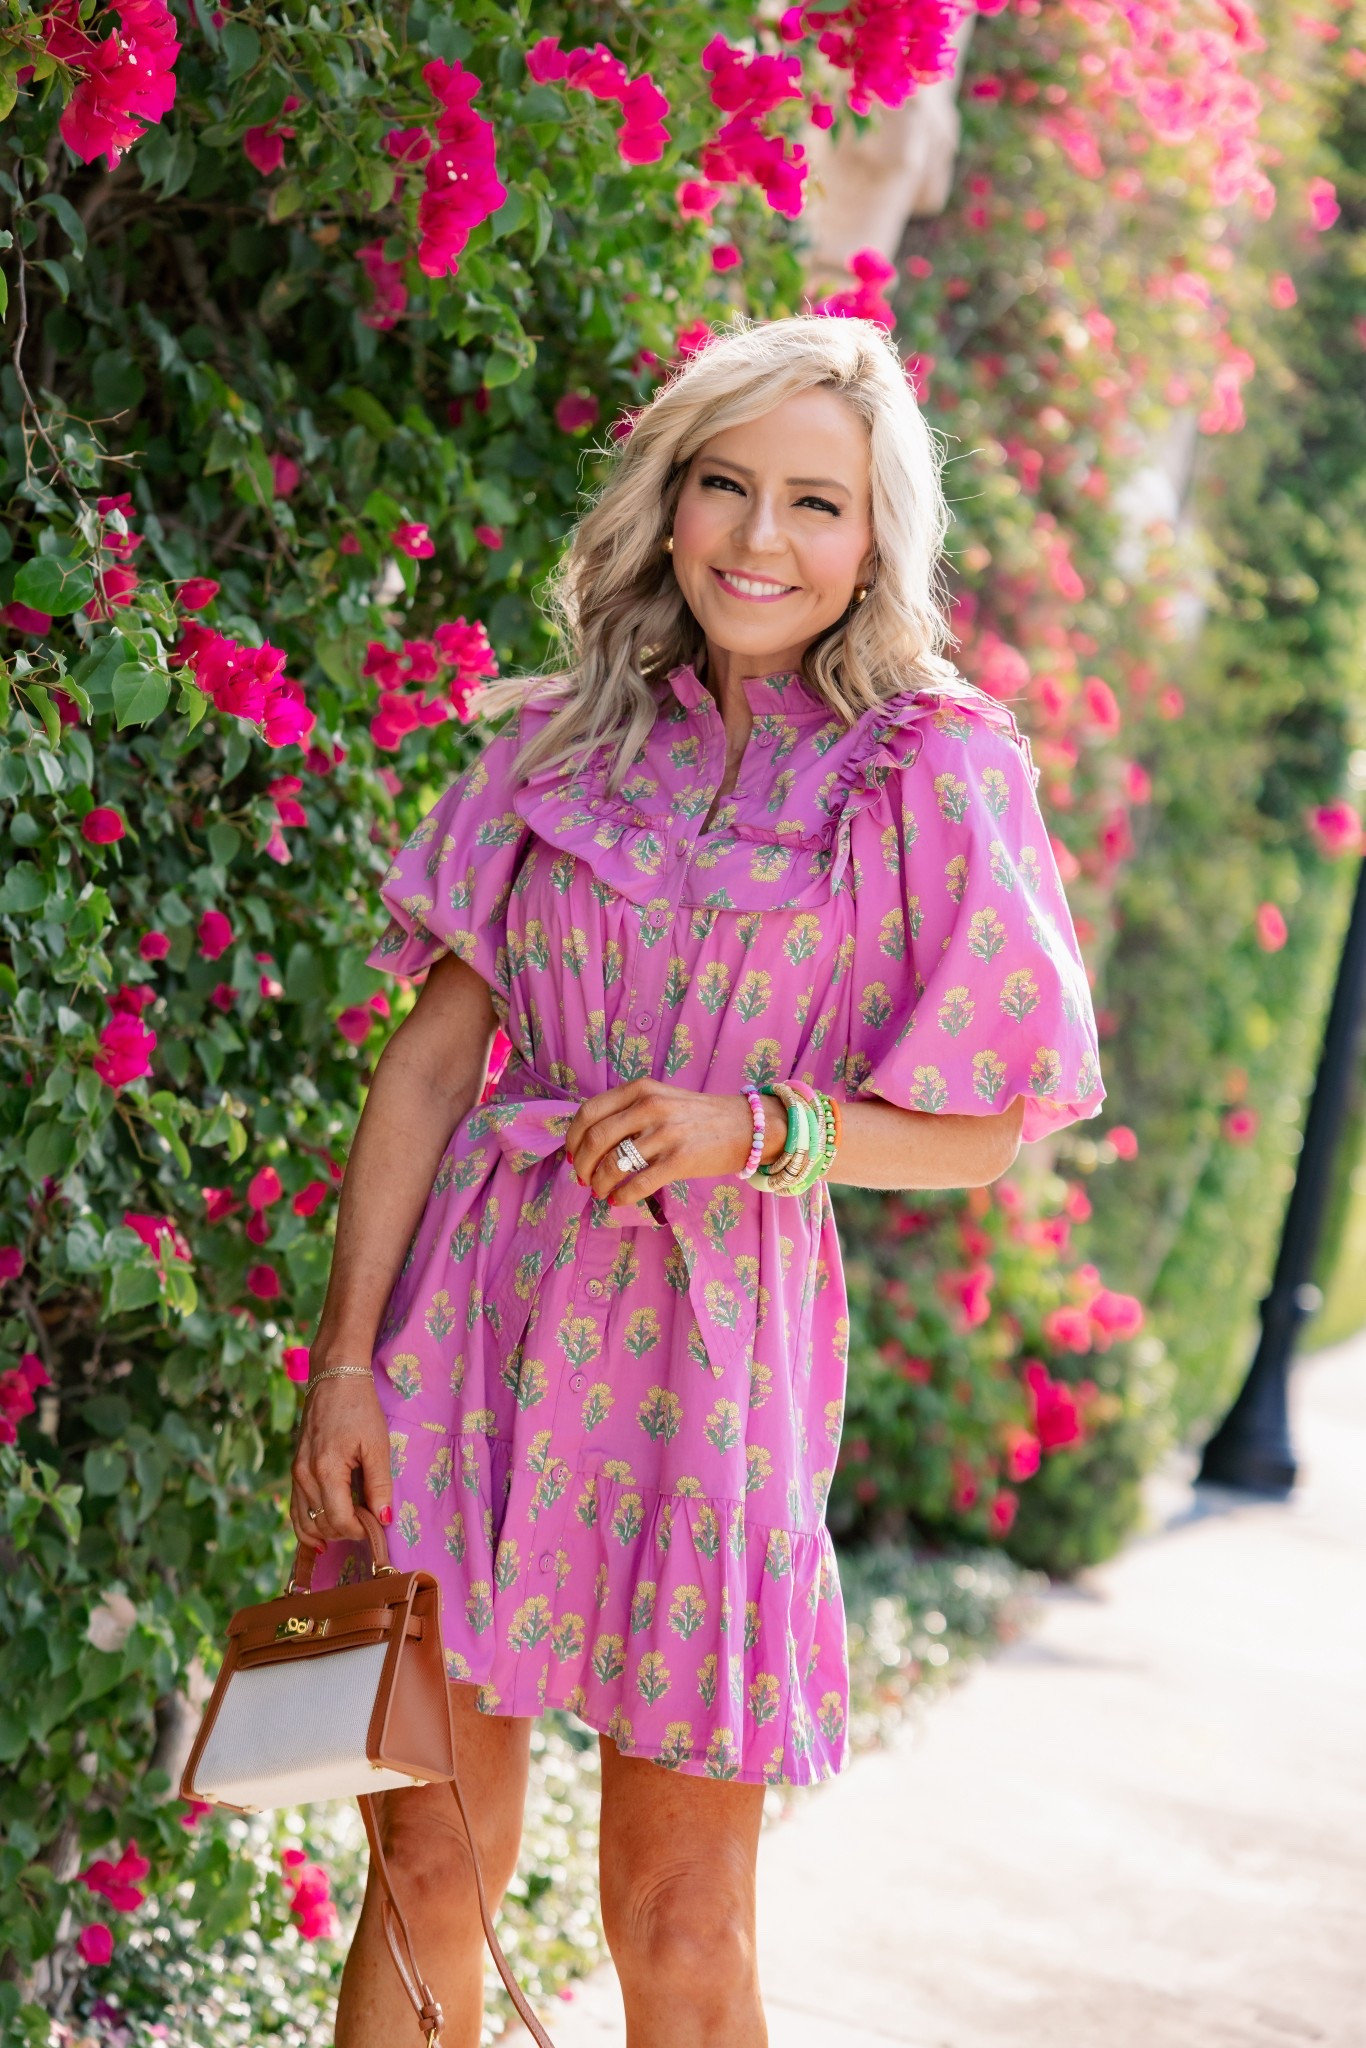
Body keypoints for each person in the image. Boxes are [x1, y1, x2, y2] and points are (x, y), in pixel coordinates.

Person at [291, 311, 1104, 2047]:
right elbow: (435, 1061)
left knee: (674, 1920)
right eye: (723, 485)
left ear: (875, 533)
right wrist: (345, 1361)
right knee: (423, 1865)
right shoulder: (567, 741)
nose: (758, 538)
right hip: (470, 1340)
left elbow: (982, 1129)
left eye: (814, 501)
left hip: (713, 1372)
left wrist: (757, 1130)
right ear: (666, 507)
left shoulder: (931, 769)